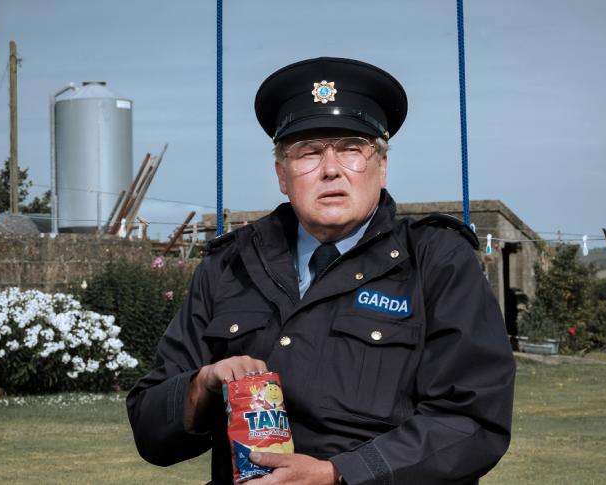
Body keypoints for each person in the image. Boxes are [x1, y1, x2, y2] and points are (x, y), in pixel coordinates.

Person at [127, 57, 515, 485]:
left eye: (351, 149)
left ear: (381, 167)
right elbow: (149, 428)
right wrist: (202, 385)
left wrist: (339, 474)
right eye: (309, 153)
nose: (330, 168)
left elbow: (473, 421)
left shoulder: (435, 260)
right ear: (282, 174)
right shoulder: (230, 265)